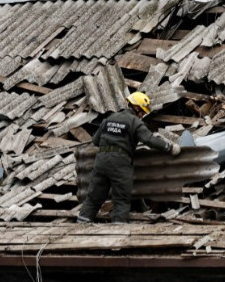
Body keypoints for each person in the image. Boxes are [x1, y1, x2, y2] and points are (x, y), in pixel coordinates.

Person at [77, 91, 181, 224]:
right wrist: (169, 147)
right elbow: (148, 139)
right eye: (142, 111)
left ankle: (81, 223)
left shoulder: (109, 118)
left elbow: (95, 141)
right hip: (120, 163)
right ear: (136, 107)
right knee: (121, 199)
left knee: (93, 197)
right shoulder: (134, 122)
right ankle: (118, 230)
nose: (142, 115)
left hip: (101, 162)